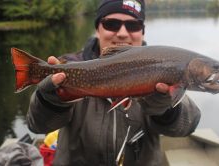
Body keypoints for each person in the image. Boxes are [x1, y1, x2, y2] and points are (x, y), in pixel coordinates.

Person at [26, 0, 201, 165]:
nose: (123, 33)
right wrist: (50, 100)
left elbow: (187, 126)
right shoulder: (67, 66)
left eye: (133, 25)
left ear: (143, 31)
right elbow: (37, 125)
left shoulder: (162, 67)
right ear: (97, 29)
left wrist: (165, 108)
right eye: (112, 24)